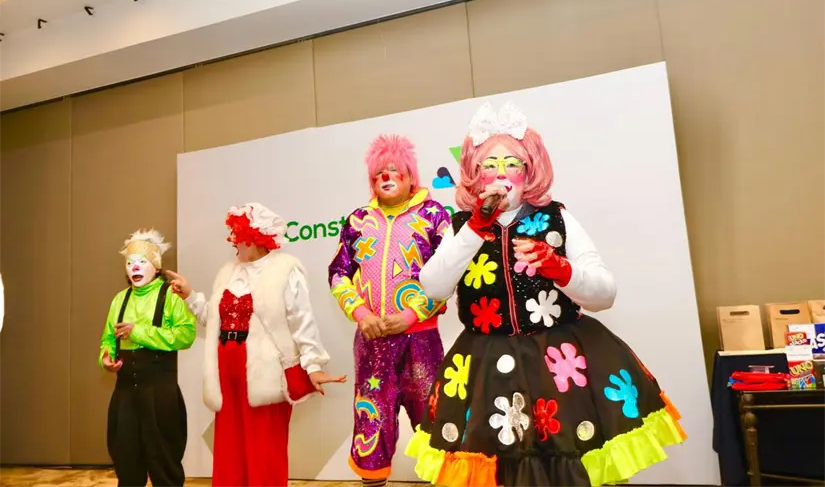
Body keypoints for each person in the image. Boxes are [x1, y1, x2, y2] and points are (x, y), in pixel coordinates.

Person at [405, 102, 686, 487]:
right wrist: (475, 228)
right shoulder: (460, 228)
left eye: (512, 163)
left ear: (529, 170)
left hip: (560, 363)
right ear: (474, 172)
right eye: (490, 164)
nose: (501, 173)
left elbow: (604, 293)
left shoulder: (557, 217)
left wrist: (559, 269)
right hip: (486, 368)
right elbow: (433, 287)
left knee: (571, 460)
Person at [167, 202, 345, 487]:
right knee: (229, 444)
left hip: (265, 373)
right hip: (227, 372)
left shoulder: (285, 270)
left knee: (264, 445)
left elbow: (302, 321)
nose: (232, 241)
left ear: (252, 238)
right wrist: (190, 296)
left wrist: (313, 365)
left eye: (236, 235)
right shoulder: (228, 272)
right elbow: (215, 318)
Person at [329, 134, 452, 486]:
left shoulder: (434, 216)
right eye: (379, 172)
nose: (386, 177)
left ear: (411, 176)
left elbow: (447, 276)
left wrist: (412, 315)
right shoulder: (356, 222)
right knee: (372, 421)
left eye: (394, 170)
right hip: (372, 342)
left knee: (434, 419)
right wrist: (360, 314)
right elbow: (338, 274)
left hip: (421, 342)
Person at [99, 229, 196, 487]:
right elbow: (108, 338)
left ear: (155, 266)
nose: (135, 268)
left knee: (163, 457)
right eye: (130, 263)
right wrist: (106, 358)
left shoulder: (170, 296)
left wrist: (138, 332)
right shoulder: (120, 299)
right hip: (125, 392)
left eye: (141, 262)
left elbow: (186, 335)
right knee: (126, 455)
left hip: (159, 391)